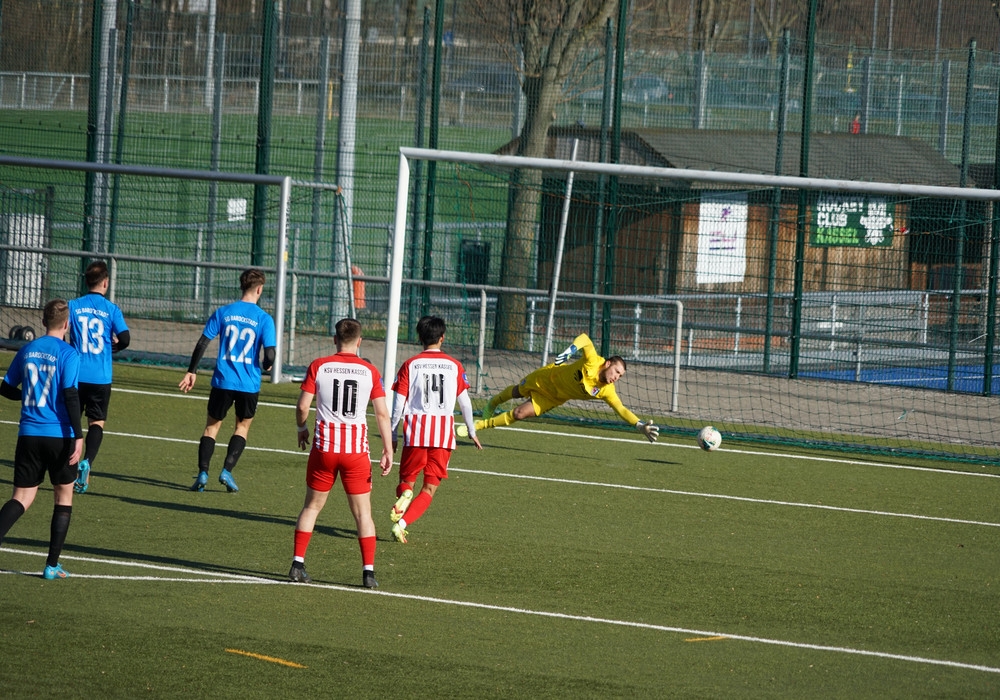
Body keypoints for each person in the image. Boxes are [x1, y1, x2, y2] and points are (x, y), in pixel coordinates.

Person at [289, 318, 393, 588]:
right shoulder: (370, 371)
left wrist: (302, 428)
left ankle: (297, 564)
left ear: (335, 340)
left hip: (324, 449)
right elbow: (382, 413)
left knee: (311, 507)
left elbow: (302, 406)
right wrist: (388, 448)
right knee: (363, 514)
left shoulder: (319, 365)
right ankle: (368, 573)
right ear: (360, 342)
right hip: (355, 453)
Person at [0, 299, 83, 579]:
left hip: (28, 435)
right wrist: (79, 436)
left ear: (44, 321)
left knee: (21, 498)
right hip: (59, 435)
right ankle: (51, 565)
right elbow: (70, 395)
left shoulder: (27, 349)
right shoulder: (68, 354)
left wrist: (27, 396)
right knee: (63, 496)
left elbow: (5, 388)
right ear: (66, 324)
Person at [178, 269, 276, 493]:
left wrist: (192, 371)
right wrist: (267, 364)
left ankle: (203, 473)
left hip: (223, 381)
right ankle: (227, 471)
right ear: (259, 289)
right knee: (242, 427)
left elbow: (203, 342)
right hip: (248, 384)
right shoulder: (264, 318)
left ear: (242, 286)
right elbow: (270, 354)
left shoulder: (223, 312)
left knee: (211, 427)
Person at [389, 316, 482, 545]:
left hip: (416, 432)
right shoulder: (454, 365)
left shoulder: (410, 365)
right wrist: (471, 431)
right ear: (442, 338)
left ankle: (405, 494)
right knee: (429, 489)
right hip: (442, 436)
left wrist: (392, 433)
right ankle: (401, 525)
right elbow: (465, 403)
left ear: (420, 338)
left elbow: (398, 404)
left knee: (406, 481)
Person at [469, 333, 659, 442]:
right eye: (616, 372)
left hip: (553, 398)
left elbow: (621, 409)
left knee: (519, 414)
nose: (616, 377)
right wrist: (569, 352)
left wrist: (639, 425)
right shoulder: (593, 361)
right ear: (608, 364)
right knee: (517, 391)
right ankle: (493, 402)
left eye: (620, 376)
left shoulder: (607, 391)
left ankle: (480, 425)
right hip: (546, 377)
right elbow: (585, 339)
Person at [67, 260, 130, 494]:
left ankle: (68, 466)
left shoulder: (73, 305)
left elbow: (61, 331)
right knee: (96, 423)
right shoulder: (111, 309)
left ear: (86, 282)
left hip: (75, 376)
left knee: (71, 422)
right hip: (100, 378)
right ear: (105, 283)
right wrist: (114, 346)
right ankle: (87, 462)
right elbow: (125, 339)